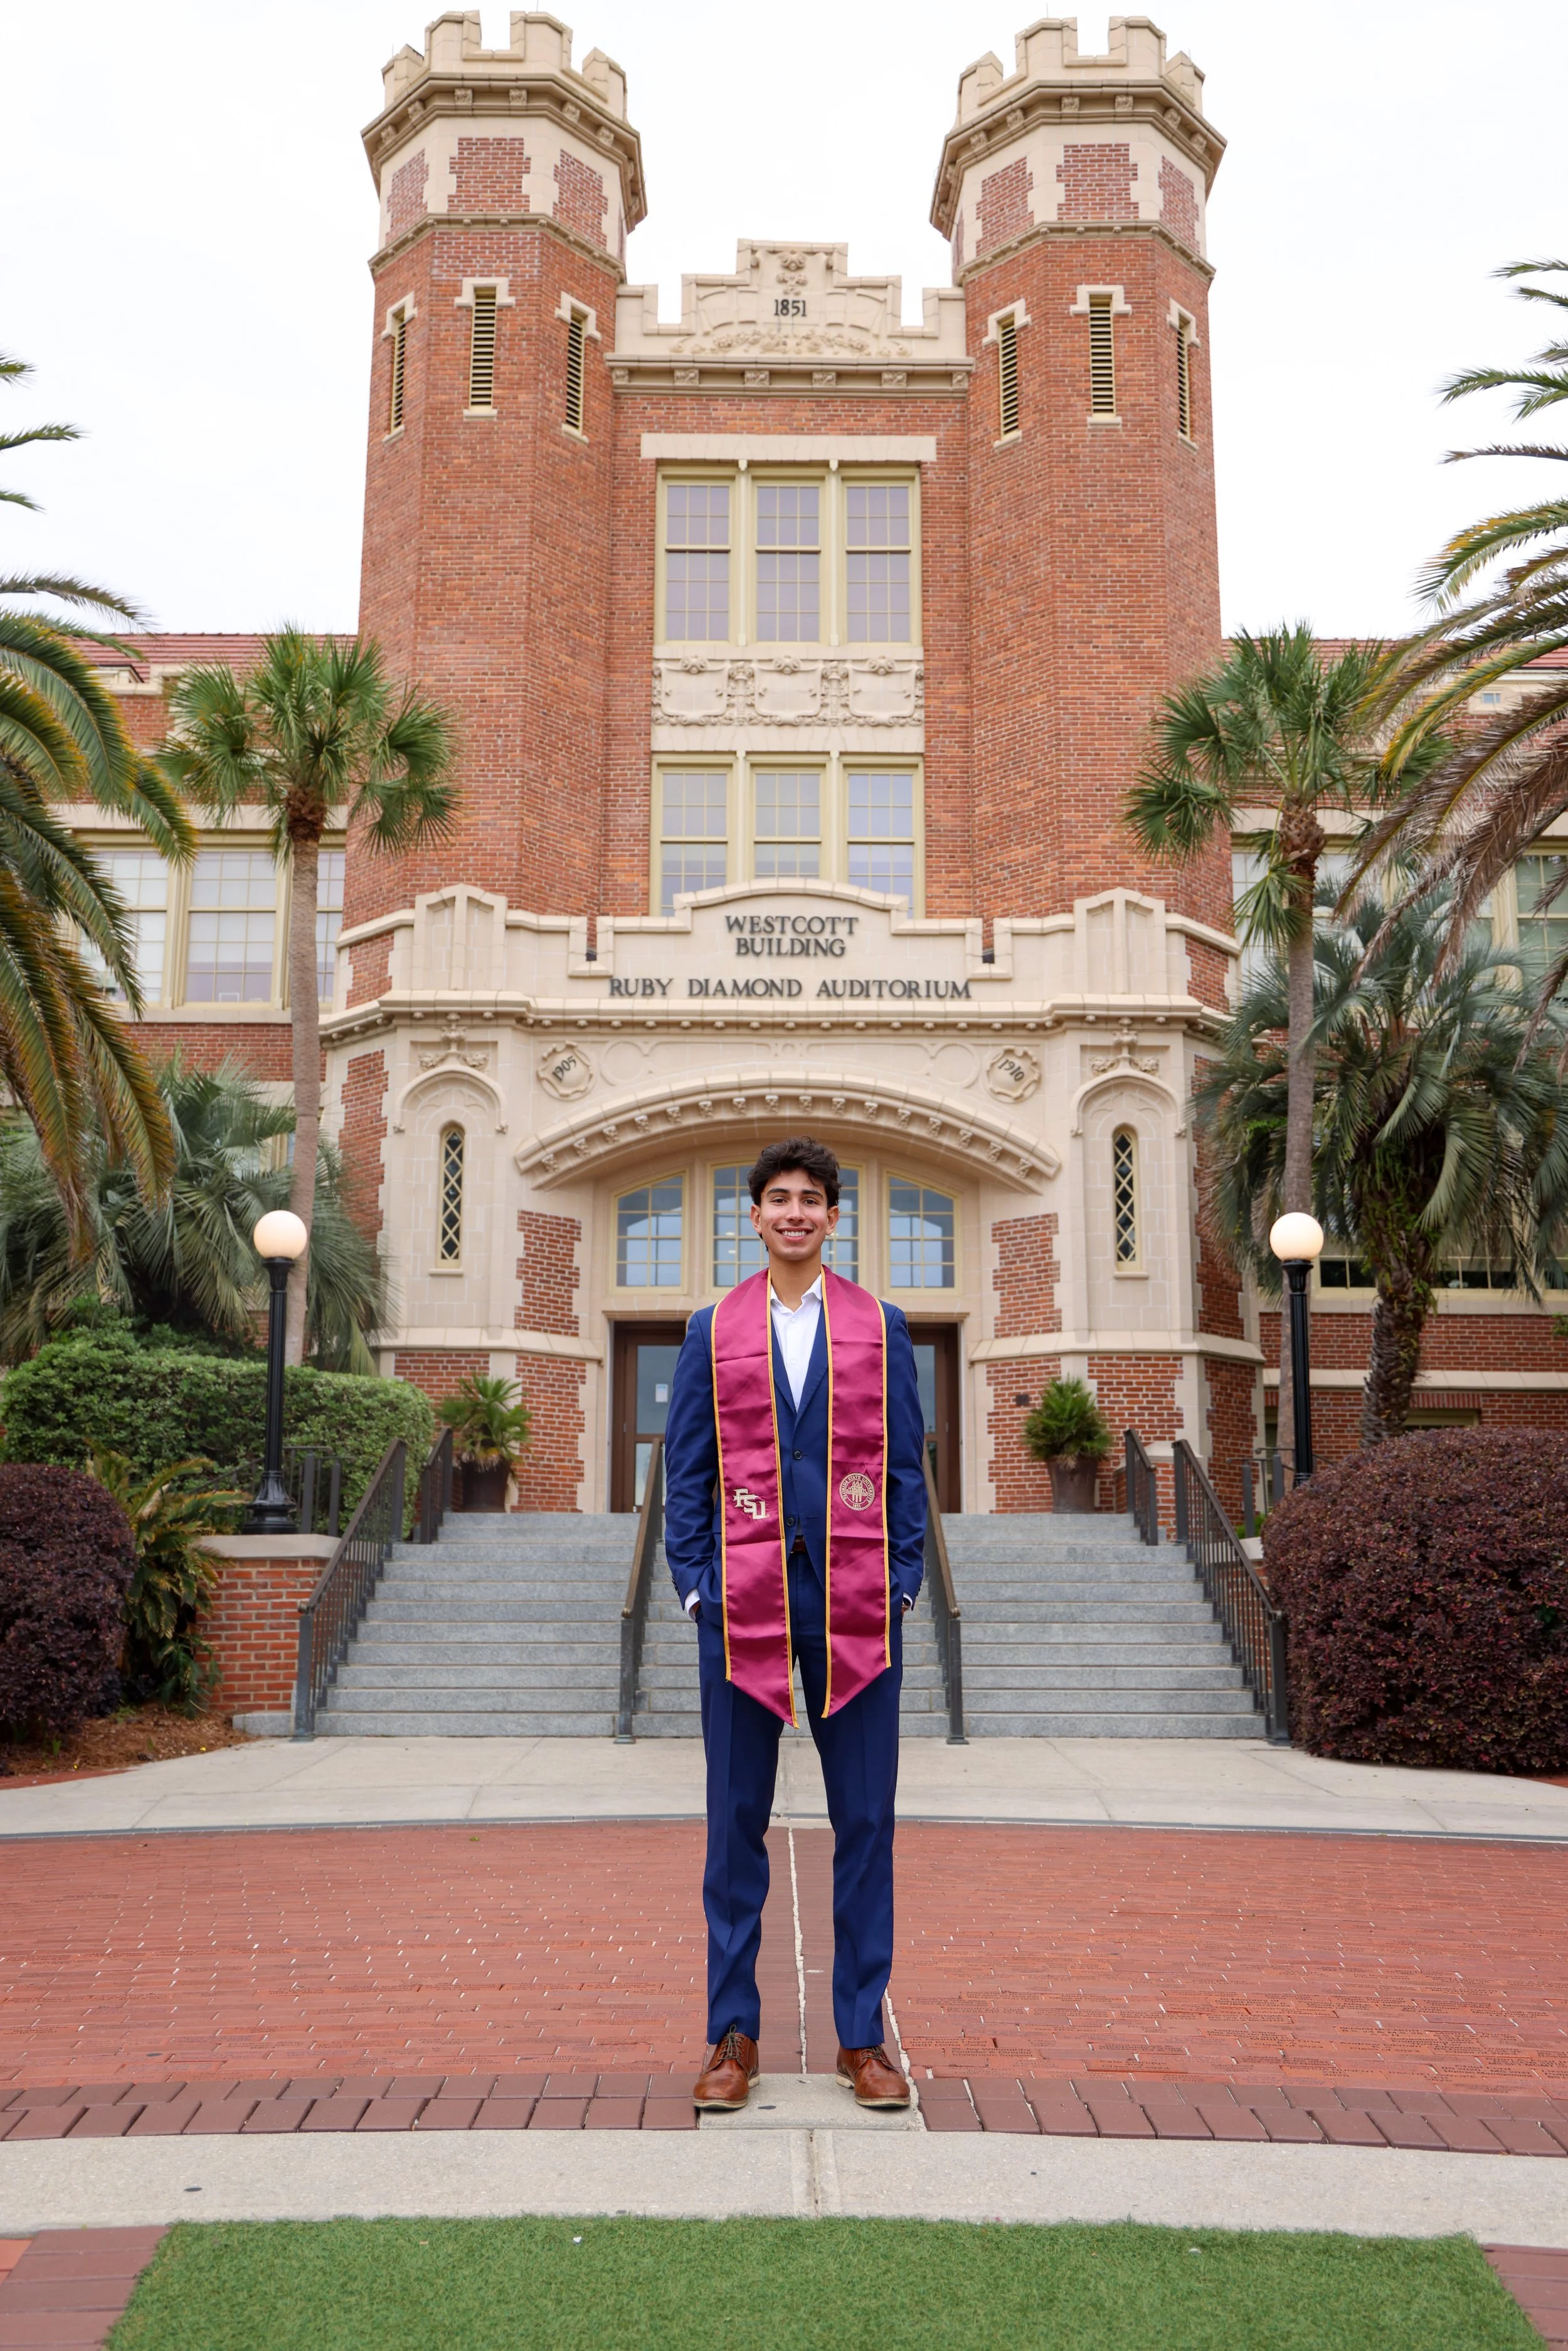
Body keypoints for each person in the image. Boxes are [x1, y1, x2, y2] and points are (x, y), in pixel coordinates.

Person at [662, 1136, 928, 2111]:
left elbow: (905, 1469)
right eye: (777, 1198)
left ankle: (863, 2038)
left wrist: (901, 1584)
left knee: (864, 1827)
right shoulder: (711, 1330)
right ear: (755, 1216)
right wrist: (696, 1587)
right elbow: (684, 1474)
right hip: (740, 1620)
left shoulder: (880, 1325)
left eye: (811, 1198)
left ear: (833, 1215)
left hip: (859, 1618)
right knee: (734, 1831)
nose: (795, 1212)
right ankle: (733, 2036)